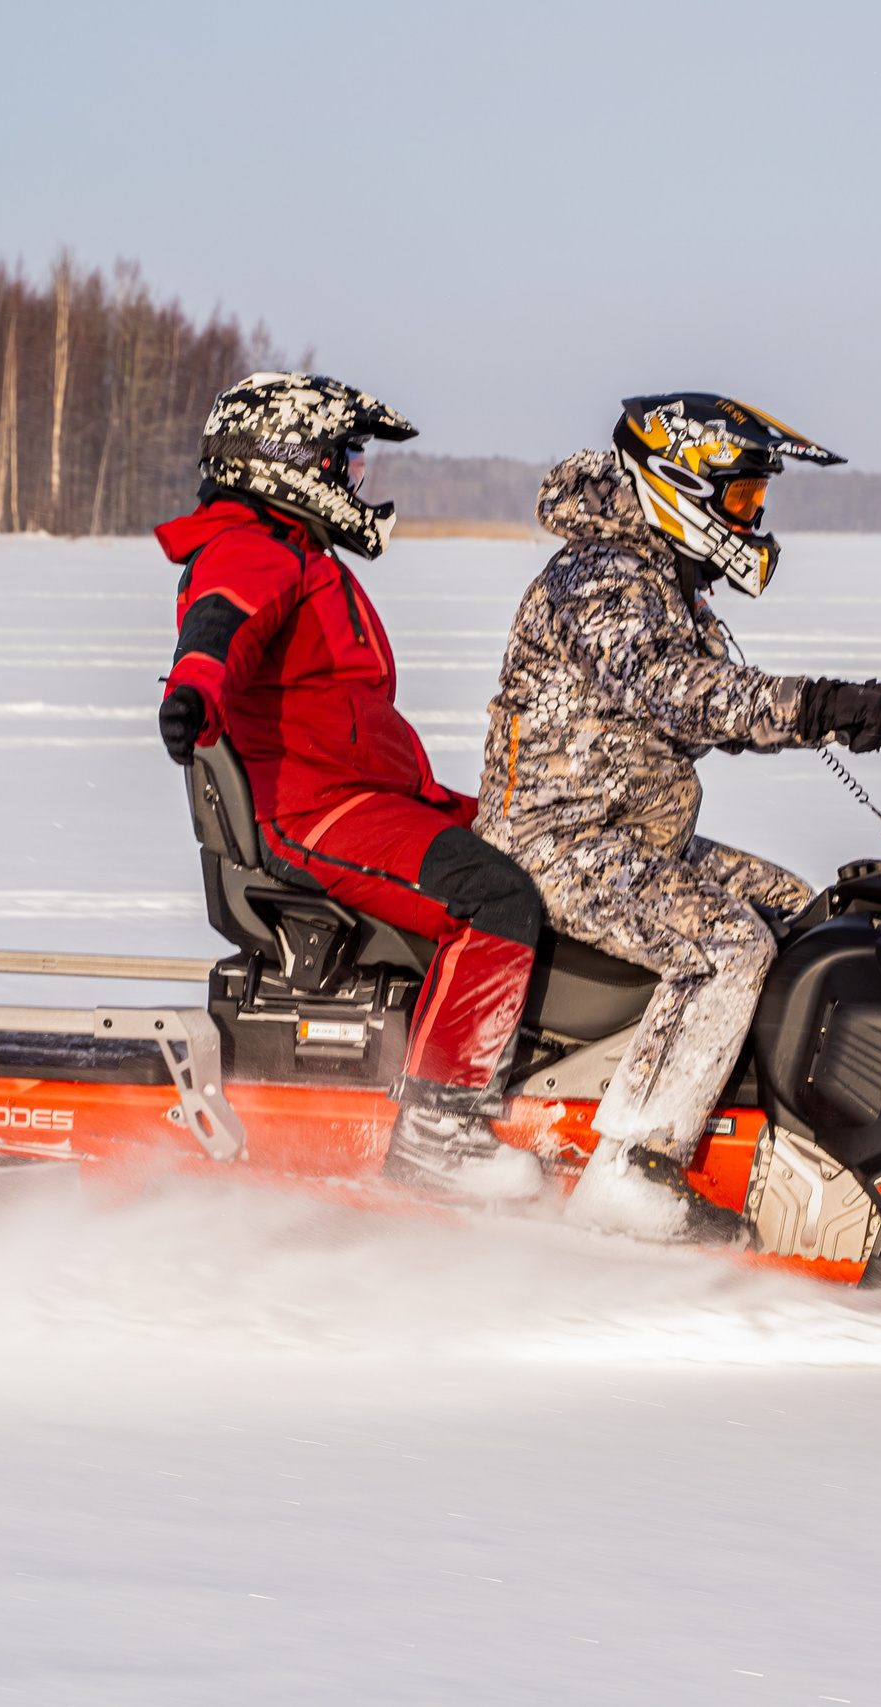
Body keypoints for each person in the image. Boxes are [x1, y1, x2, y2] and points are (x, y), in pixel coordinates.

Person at [474, 393, 881, 1240]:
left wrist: (870, 716)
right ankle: (633, 1165)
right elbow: (684, 693)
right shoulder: (598, 576)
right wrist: (822, 704)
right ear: (684, 486)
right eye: (744, 496)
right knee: (728, 945)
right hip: (558, 844)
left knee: (801, 909)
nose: (755, 517)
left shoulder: (660, 574)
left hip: (633, 834)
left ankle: (768, 1131)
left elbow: (705, 704)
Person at [156, 372, 544, 1203]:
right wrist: (193, 692)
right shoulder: (251, 549)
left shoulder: (298, 552)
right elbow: (221, 623)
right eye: (344, 462)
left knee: (541, 845)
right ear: (288, 462)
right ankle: (438, 1129)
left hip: (374, 796)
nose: (355, 482)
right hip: (316, 812)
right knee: (494, 898)